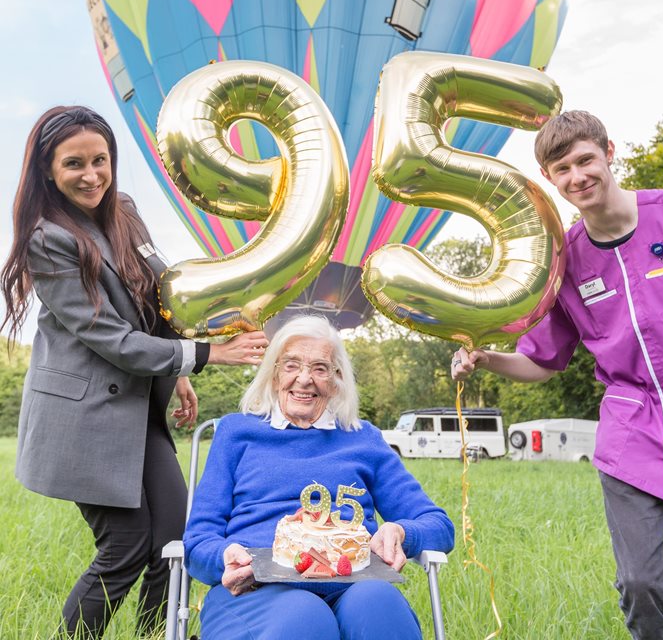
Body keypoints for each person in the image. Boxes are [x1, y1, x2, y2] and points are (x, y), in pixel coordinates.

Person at [0, 105, 269, 639]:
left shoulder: (124, 209)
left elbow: (158, 294)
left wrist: (180, 372)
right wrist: (210, 354)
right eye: (74, 163)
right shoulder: (47, 239)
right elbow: (112, 339)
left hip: (138, 410)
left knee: (173, 537)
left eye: (100, 160)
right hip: (85, 420)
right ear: (47, 171)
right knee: (123, 546)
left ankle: (158, 635)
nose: (91, 175)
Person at [451, 110, 663, 640]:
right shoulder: (564, 262)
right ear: (550, 179)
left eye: (585, 160)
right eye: (562, 169)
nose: (577, 176)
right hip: (635, 428)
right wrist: (485, 356)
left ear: (609, 153)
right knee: (639, 582)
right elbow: (542, 361)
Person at [184, 314, 455, 640]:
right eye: (291, 365)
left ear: (338, 379)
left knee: (378, 602)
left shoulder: (362, 438)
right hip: (256, 591)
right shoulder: (237, 433)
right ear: (273, 375)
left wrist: (400, 531)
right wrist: (224, 556)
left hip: (354, 583)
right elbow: (198, 542)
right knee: (305, 616)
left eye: (319, 368)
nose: (304, 379)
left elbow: (439, 526)